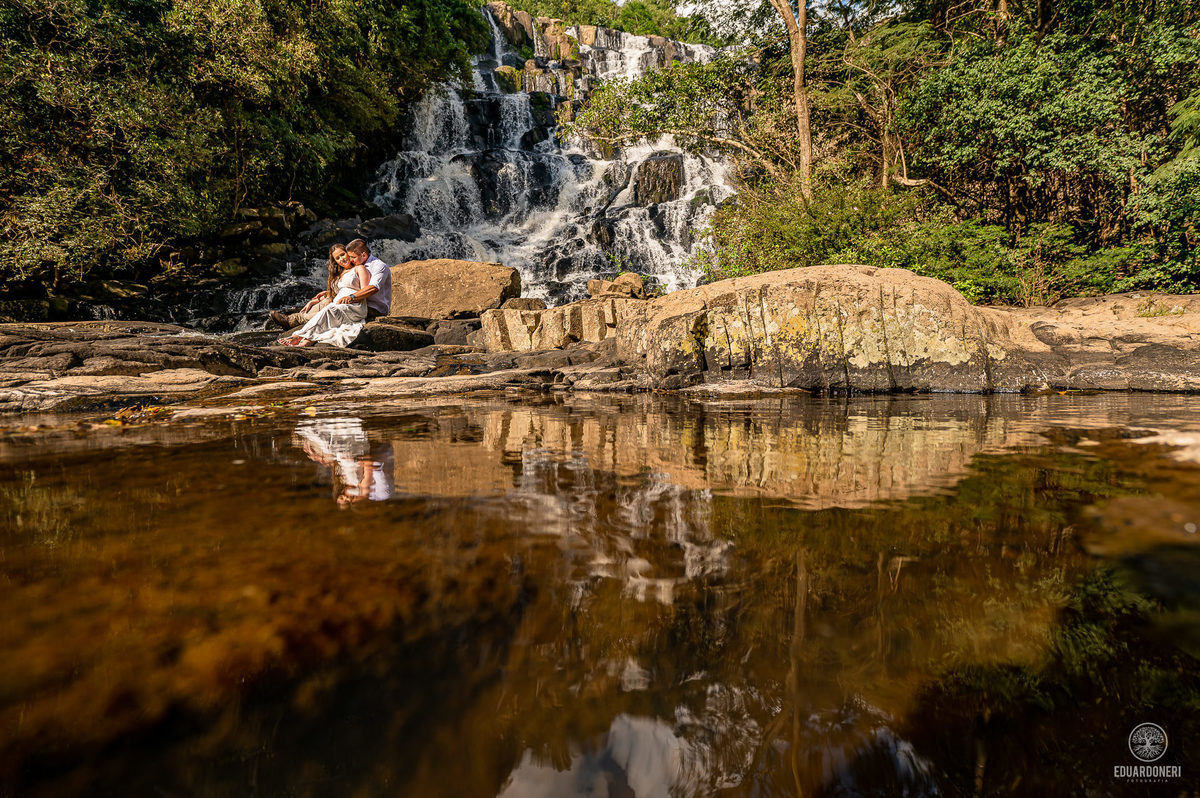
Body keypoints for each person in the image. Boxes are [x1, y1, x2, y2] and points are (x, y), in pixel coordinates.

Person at [268, 238, 391, 328]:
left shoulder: (376, 266)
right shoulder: (354, 265)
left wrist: (350, 297)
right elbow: (349, 287)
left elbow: (371, 289)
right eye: (338, 258)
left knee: (331, 306)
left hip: (371, 306)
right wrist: (327, 294)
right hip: (356, 301)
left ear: (362, 254)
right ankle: (293, 320)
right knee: (326, 301)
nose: (346, 259)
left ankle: (294, 320)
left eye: (347, 255)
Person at [277, 244, 369, 347]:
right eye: (337, 258)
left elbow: (366, 291)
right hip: (339, 306)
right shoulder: (340, 273)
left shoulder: (359, 268)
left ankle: (298, 336)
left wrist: (350, 298)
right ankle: (307, 341)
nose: (341, 259)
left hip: (355, 306)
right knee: (328, 311)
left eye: (343, 254)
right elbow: (334, 294)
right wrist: (314, 301)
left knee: (328, 310)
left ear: (348, 253)